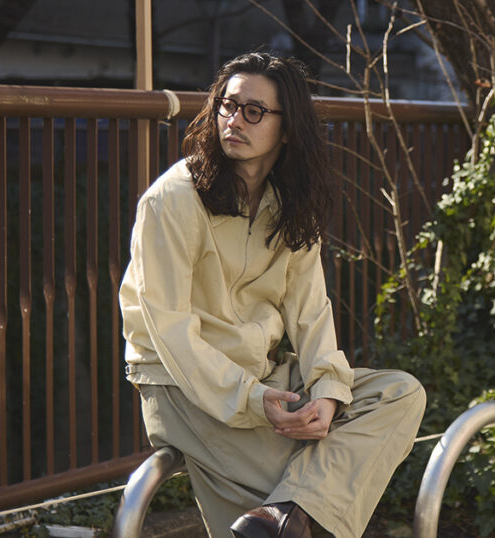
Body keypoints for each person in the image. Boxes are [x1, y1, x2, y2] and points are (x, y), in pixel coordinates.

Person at [119, 52, 426, 538]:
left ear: (287, 129)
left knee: (399, 394)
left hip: (263, 376)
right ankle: (288, 511)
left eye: (253, 111)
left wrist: (327, 391)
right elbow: (170, 331)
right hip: (181, 386)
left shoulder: (288, 205)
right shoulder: (173, 199)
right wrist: (252, 398)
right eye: (226, 105)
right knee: (307, 496)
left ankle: (283, 513)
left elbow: (310, 311)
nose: (234, 120)